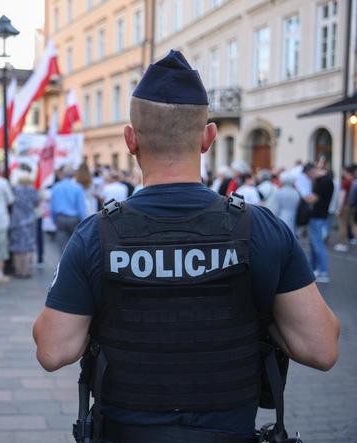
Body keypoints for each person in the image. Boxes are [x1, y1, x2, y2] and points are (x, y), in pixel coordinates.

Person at [32, 50, 339, 443]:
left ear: (130, 140)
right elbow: (322, 348)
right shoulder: (259, 228)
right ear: (208, 138)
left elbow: (52, 351)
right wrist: (264, 318)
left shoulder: (96, 235)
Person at [9, 170, 40, 278]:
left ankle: (18, 271)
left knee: (17, 246)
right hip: (29, 221)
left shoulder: (14, 189)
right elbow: (37, 203)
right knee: (28, 247)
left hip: (17, 221)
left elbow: (10, 201)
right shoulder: (32, 190)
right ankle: (26, 271)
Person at [50, 165, 86, 253]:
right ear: (73, 175)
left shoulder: (56, 187)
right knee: (74, 244)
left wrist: (54, 219)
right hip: (74, 219)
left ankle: (62, 265)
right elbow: (81, 206)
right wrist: (84, 221)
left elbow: (52, 206)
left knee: (62, 245)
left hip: (60, 218)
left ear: (63, 174)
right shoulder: (77, 188)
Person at [308, 165, 334, 283]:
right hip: (321, 216)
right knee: (315, 244)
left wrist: (302, 194)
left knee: (317, 244)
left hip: (317, 217)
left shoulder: (323, 182)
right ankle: (314, 269)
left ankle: (323, 272)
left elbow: (312, 199)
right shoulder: (327, 181)